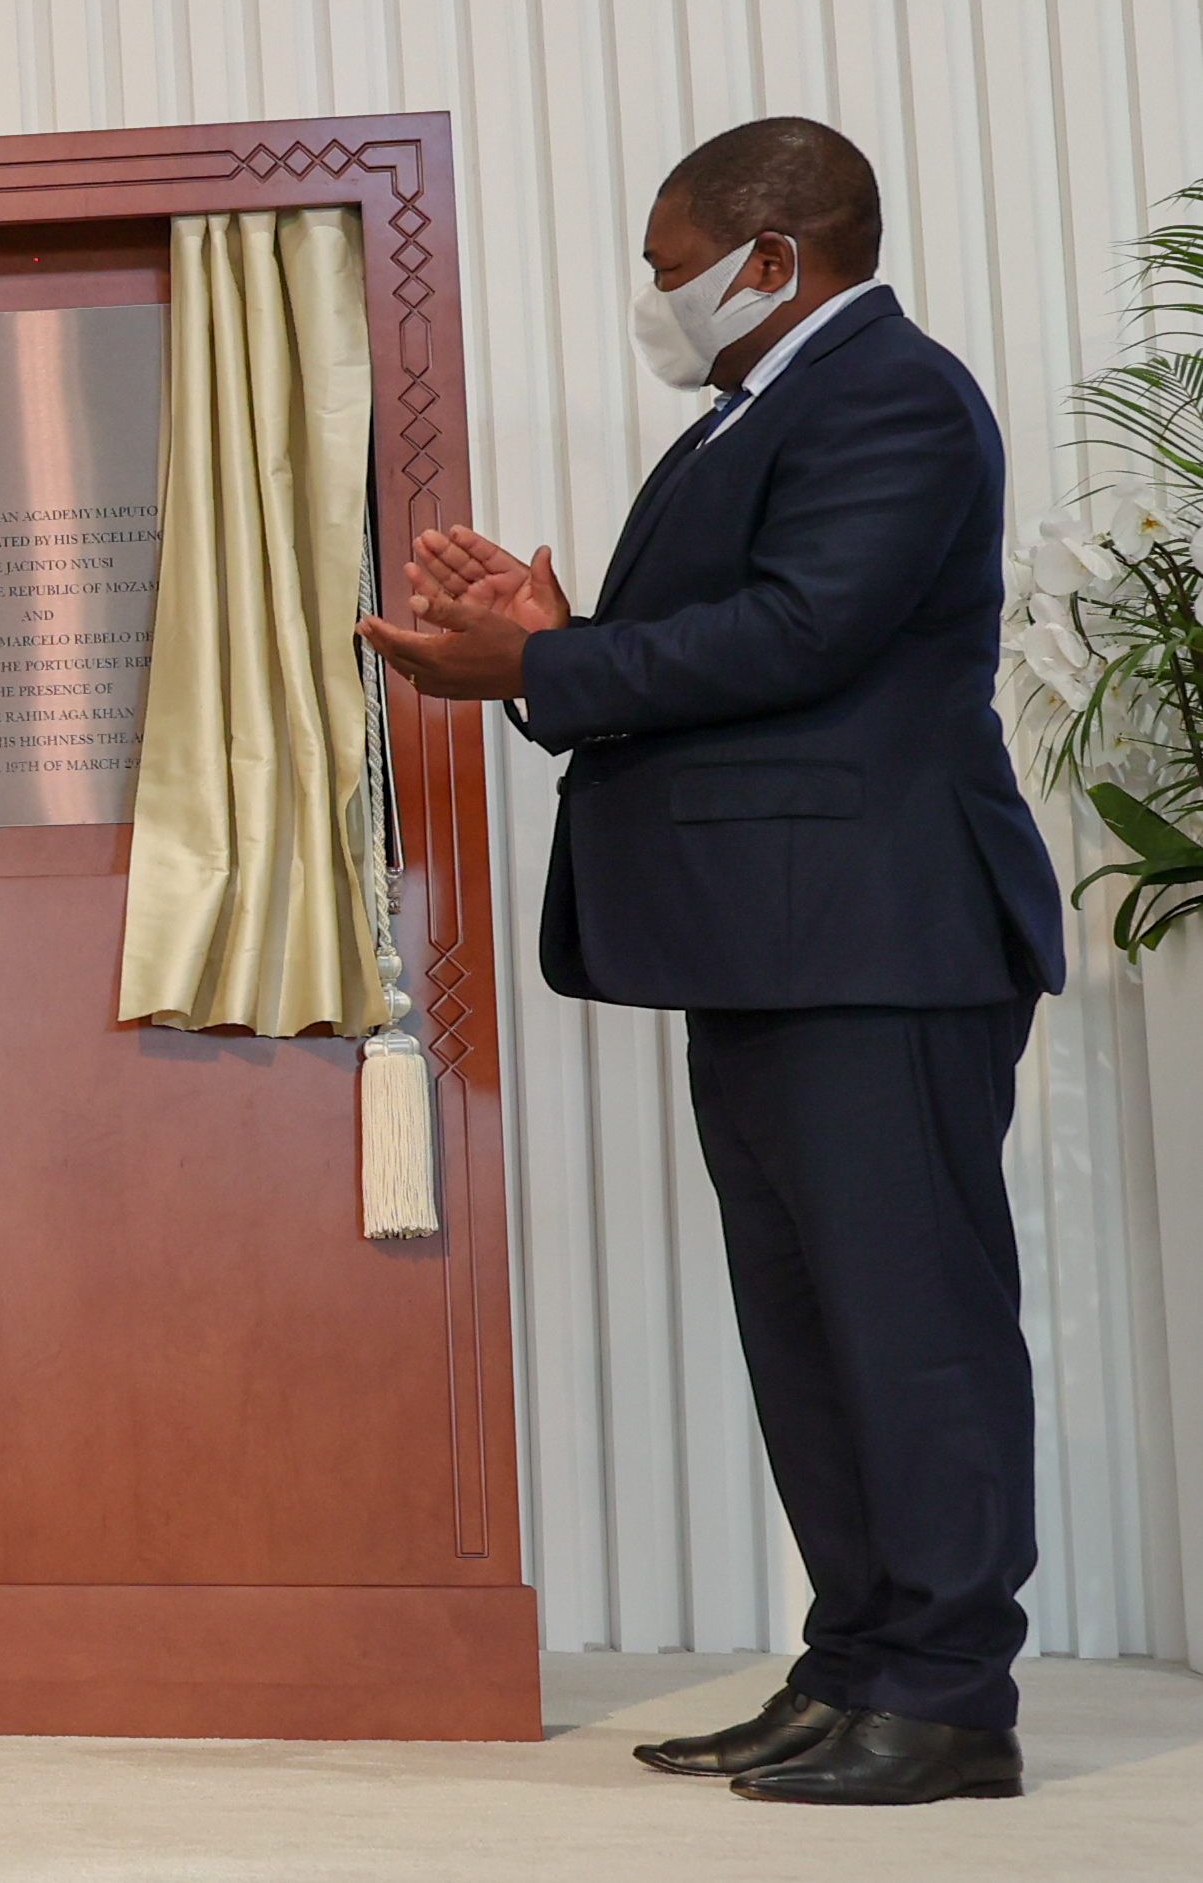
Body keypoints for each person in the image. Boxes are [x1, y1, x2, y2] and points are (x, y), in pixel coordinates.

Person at [360, 118, 1063, 1806]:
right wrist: (548, 630)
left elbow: (804, 630)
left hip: (879, 941)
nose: (656, 295)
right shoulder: (757, 413)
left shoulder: (890, 391)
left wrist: (551, 655)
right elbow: (735, 641)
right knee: (810, 1334)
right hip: (772, 944)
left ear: (774, 259)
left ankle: (951, 1695)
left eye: (670, 265)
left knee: (912, 1327)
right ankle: (856, 1668)